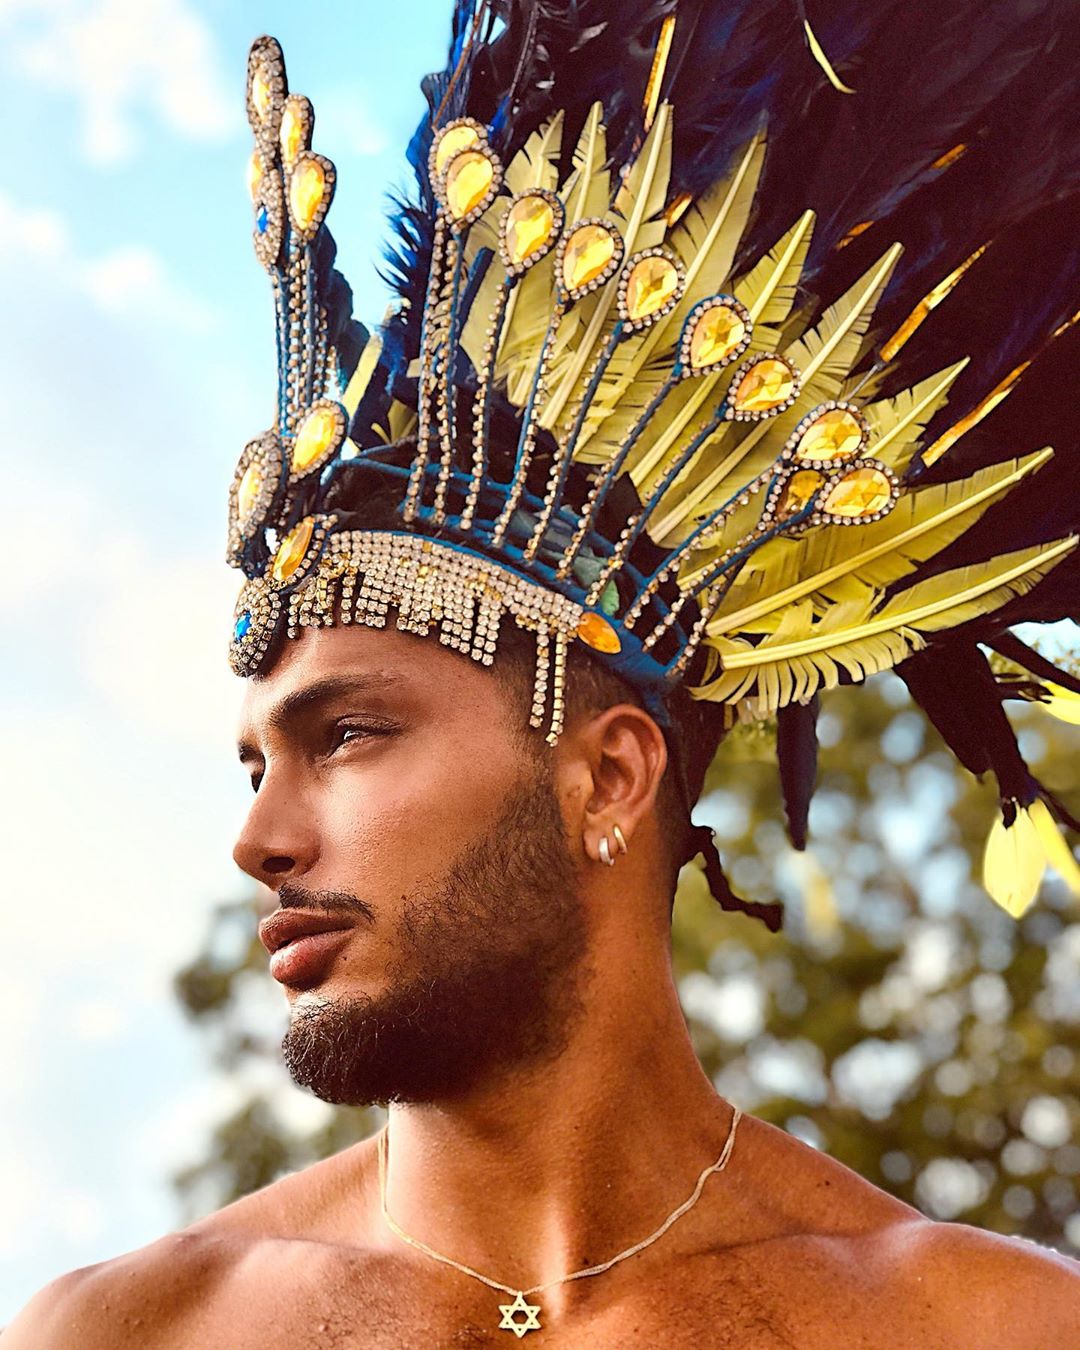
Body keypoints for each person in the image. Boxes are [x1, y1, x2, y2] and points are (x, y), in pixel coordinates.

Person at [8, 1, 1080, 1345]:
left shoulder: (978, 1325)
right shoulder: (135, 1328)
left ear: (610, 774)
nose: (259, 840)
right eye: (253, 760)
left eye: (344, 736)